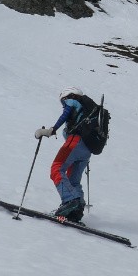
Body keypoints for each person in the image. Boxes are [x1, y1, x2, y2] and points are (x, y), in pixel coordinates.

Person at [35, 88, 91, 223]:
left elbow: (65, 114)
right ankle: (77, 209)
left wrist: (51, 130)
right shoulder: (87, 110)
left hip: (75, 142)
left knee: (56, 168)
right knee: (73, 180)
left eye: (62, 101)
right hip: (87, 149)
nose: (63, 104)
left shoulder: (72, 101)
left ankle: (70, 201)